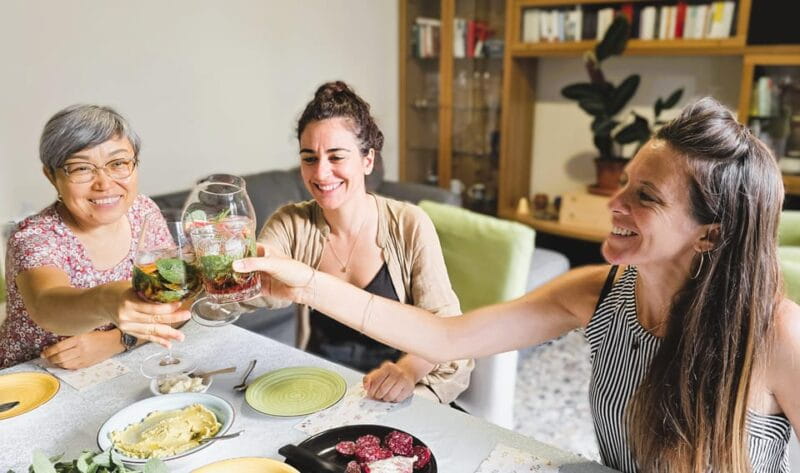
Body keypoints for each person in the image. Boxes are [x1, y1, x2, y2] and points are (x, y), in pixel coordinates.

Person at [236, 97, 798, 473]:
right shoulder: (597, 293)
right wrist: (306, 283)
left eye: (645, 196)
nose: (615, 203)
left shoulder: (776, 335)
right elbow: (446, 338)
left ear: (709, 234)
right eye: (625, 182)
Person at [255, 81, 473, 404]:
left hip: (401, 389)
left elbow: (444, 327)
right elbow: (256, 272)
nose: (321, 173)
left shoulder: (409, 224)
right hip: (324, 388)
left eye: (336, 157)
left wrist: (407, 372)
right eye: (309, 158)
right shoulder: (291, 223)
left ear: (367, 160)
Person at [0, 104, 189, 370]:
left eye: (118, 163)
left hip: (122, 364)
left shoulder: (143, 211)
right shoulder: (33, 236)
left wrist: (118, 341)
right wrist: (106, 299)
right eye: (81, 169)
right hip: (34, 377)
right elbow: (46, 304)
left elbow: (176, 305)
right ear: (51, 176)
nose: (104, 183)